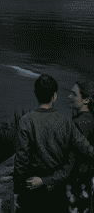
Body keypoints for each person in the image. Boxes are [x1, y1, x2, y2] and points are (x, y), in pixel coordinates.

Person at [15, 74, 94, 211]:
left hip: (32, 187)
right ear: (55, 96)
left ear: (36, 94)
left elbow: (21, 160)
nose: (69, 96)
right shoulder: (67, 123)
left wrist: (17, 190)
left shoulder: (25, 121)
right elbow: (87, 150)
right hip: (58, 191)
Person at [67, 80, 94, 213]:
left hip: (75, 185)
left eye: (74, 94)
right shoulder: (91, 120)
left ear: (86, 100)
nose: (69, 96)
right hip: (88, 184)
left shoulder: (76, 124)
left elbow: (68, 160)